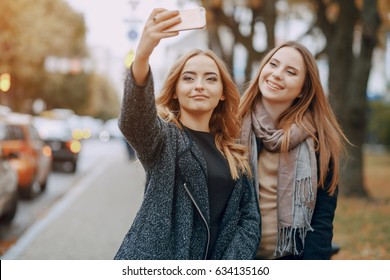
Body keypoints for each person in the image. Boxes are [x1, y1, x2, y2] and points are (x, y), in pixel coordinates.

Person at [114, 8, 261, 260]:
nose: (199, 86)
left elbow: (249, 219)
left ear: (223, 92)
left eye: (211, 79)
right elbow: (134, 122)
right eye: (189, 78)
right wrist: (143, 55)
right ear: (175, 90)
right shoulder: (164, 140)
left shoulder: (234, 151)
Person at [239, 41, 349, 260]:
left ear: (302, 91)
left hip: (292, 257)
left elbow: (321, 221)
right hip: (237, 258)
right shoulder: (231, 129)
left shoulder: (319, 142)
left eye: (290, 72)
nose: (277, 74)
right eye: (273, 64)